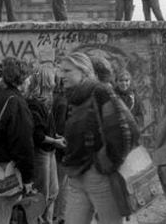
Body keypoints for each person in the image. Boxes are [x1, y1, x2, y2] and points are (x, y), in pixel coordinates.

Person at [59, 52, 134, 224]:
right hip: (76, 173)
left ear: (84, 71)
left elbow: (125, 131)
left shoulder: (100, 91)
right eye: (61, 70)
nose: (61, 75)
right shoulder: (74, 97)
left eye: (67, 71)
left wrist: (106, 162)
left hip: (99, 174)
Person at [0, 57, 34, 224]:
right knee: (9, 212)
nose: (29, 82)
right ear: (22, 79)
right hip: (9, 169)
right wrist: (28, 178)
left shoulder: (0, 97)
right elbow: (23, 143)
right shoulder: (17, 102)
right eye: (28, 78)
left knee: (2, 211)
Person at [26, 65, 66, 224]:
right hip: (41, 152)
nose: (57, 79)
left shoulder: (46, 100)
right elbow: (38, 136)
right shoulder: (35, 103)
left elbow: (46, 131)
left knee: (53, 192)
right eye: (53, 77)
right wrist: (55, 141)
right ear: (46, 80)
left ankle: (46, 220)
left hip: (48, 151)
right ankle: (39, 219)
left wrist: (56, 137)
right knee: (43, 193)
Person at [53, 76, 68, 224]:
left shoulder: (57, 98)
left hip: (57, 148)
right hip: (62, 149)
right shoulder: (64, 102)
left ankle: (57, 214)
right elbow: (61, 128)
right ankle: (60, 216)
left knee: (59, 182)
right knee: (62, 183)